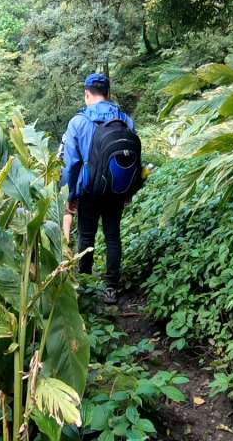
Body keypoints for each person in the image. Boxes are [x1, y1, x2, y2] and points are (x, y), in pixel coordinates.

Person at [61, 72, 139, 304]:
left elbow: (71, 163)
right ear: (108, 94)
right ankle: (111, 288)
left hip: (88, 190)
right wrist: (128, 191)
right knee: (113, 236)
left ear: (86, 94)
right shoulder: (125, 120)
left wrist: (70, 195)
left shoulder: (78, 122)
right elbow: (132, 159)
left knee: (86, 236)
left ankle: (85, 284)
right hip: (116, 189)